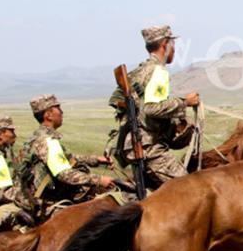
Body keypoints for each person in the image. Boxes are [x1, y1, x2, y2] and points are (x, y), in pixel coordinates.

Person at [108, 25, 200, 185]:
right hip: (148, 147)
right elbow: (151, 108)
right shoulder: (158, 72)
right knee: (190, 189)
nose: (175, 49)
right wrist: (185, 102)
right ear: (165, 44)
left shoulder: (141, 70)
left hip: (137, 145)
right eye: (173, 44)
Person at [23, 94, 115, 216]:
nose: (62, 113)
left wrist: (97, 160)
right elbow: (64, 174)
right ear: (48, 115)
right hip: (50, 204)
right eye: (58, 108)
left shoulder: (40, 137)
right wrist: (99, 180)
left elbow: (68, 158)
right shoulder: (47, 141)